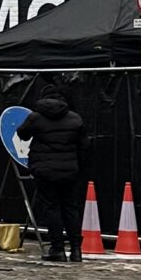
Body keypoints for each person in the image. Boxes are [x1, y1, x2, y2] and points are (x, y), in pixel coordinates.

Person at [16, 84, 89, 261]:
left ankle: (57, 248)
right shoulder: (75, 119)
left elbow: (22, 134)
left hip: (44, 169)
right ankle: (76, 249)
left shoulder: (36, 118)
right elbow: (84, 146)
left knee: (52, 207)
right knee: (70, 207)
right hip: (69, 170)